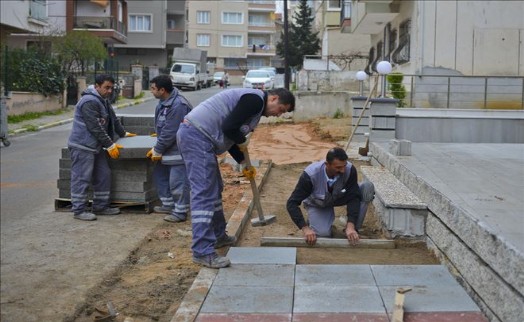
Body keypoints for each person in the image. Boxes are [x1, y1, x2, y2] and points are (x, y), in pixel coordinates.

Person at [177, 88, 295, 268]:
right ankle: (202, 251)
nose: (278, 115)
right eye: (281, 109)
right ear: (274, 98)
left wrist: (242, 162)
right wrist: (241, 140)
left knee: (214, 188)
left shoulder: (255, 105)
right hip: (197, 136)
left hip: (200, 137)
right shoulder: (255, 101)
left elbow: (230, 134)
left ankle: (218, 236)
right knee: (204, 194)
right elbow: (230, 128)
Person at [67, 74, 136, 221]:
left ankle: (100, 206)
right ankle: (79, 210)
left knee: (104, 174)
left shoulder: (103, 100)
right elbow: (94, 127)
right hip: (82, 146)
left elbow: (113, 118)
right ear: (97, 86)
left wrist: (123, 133)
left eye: (111, 88)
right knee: (81, 178)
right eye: (106, 87)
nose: (110, 91)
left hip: (95, 146)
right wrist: (110, 144)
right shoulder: (89, 101)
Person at [286, 147, 375, 245]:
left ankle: (351, 229)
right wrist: (305, 228)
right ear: (327, 165)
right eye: (338, 168)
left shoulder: (349, 170)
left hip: (338, 197)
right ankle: (314, 221)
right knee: (322, 235)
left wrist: (351, 225)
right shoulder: (310, 175)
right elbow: (292, 203)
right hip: (318, 203)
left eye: (344, 166)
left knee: (367, 187)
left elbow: (353, 197)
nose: (342, 170)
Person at [147, 75, 192, 223]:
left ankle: (180, 211)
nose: (151, 91)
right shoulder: (163, 102)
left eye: (153, 89)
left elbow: (171, 131)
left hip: (178, 151)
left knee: (177, 182)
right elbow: (164, 126)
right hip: (167, 149)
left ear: (162, 90)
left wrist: (158, 148)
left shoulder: (178, 105)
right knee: (160, 176)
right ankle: (168, 204)